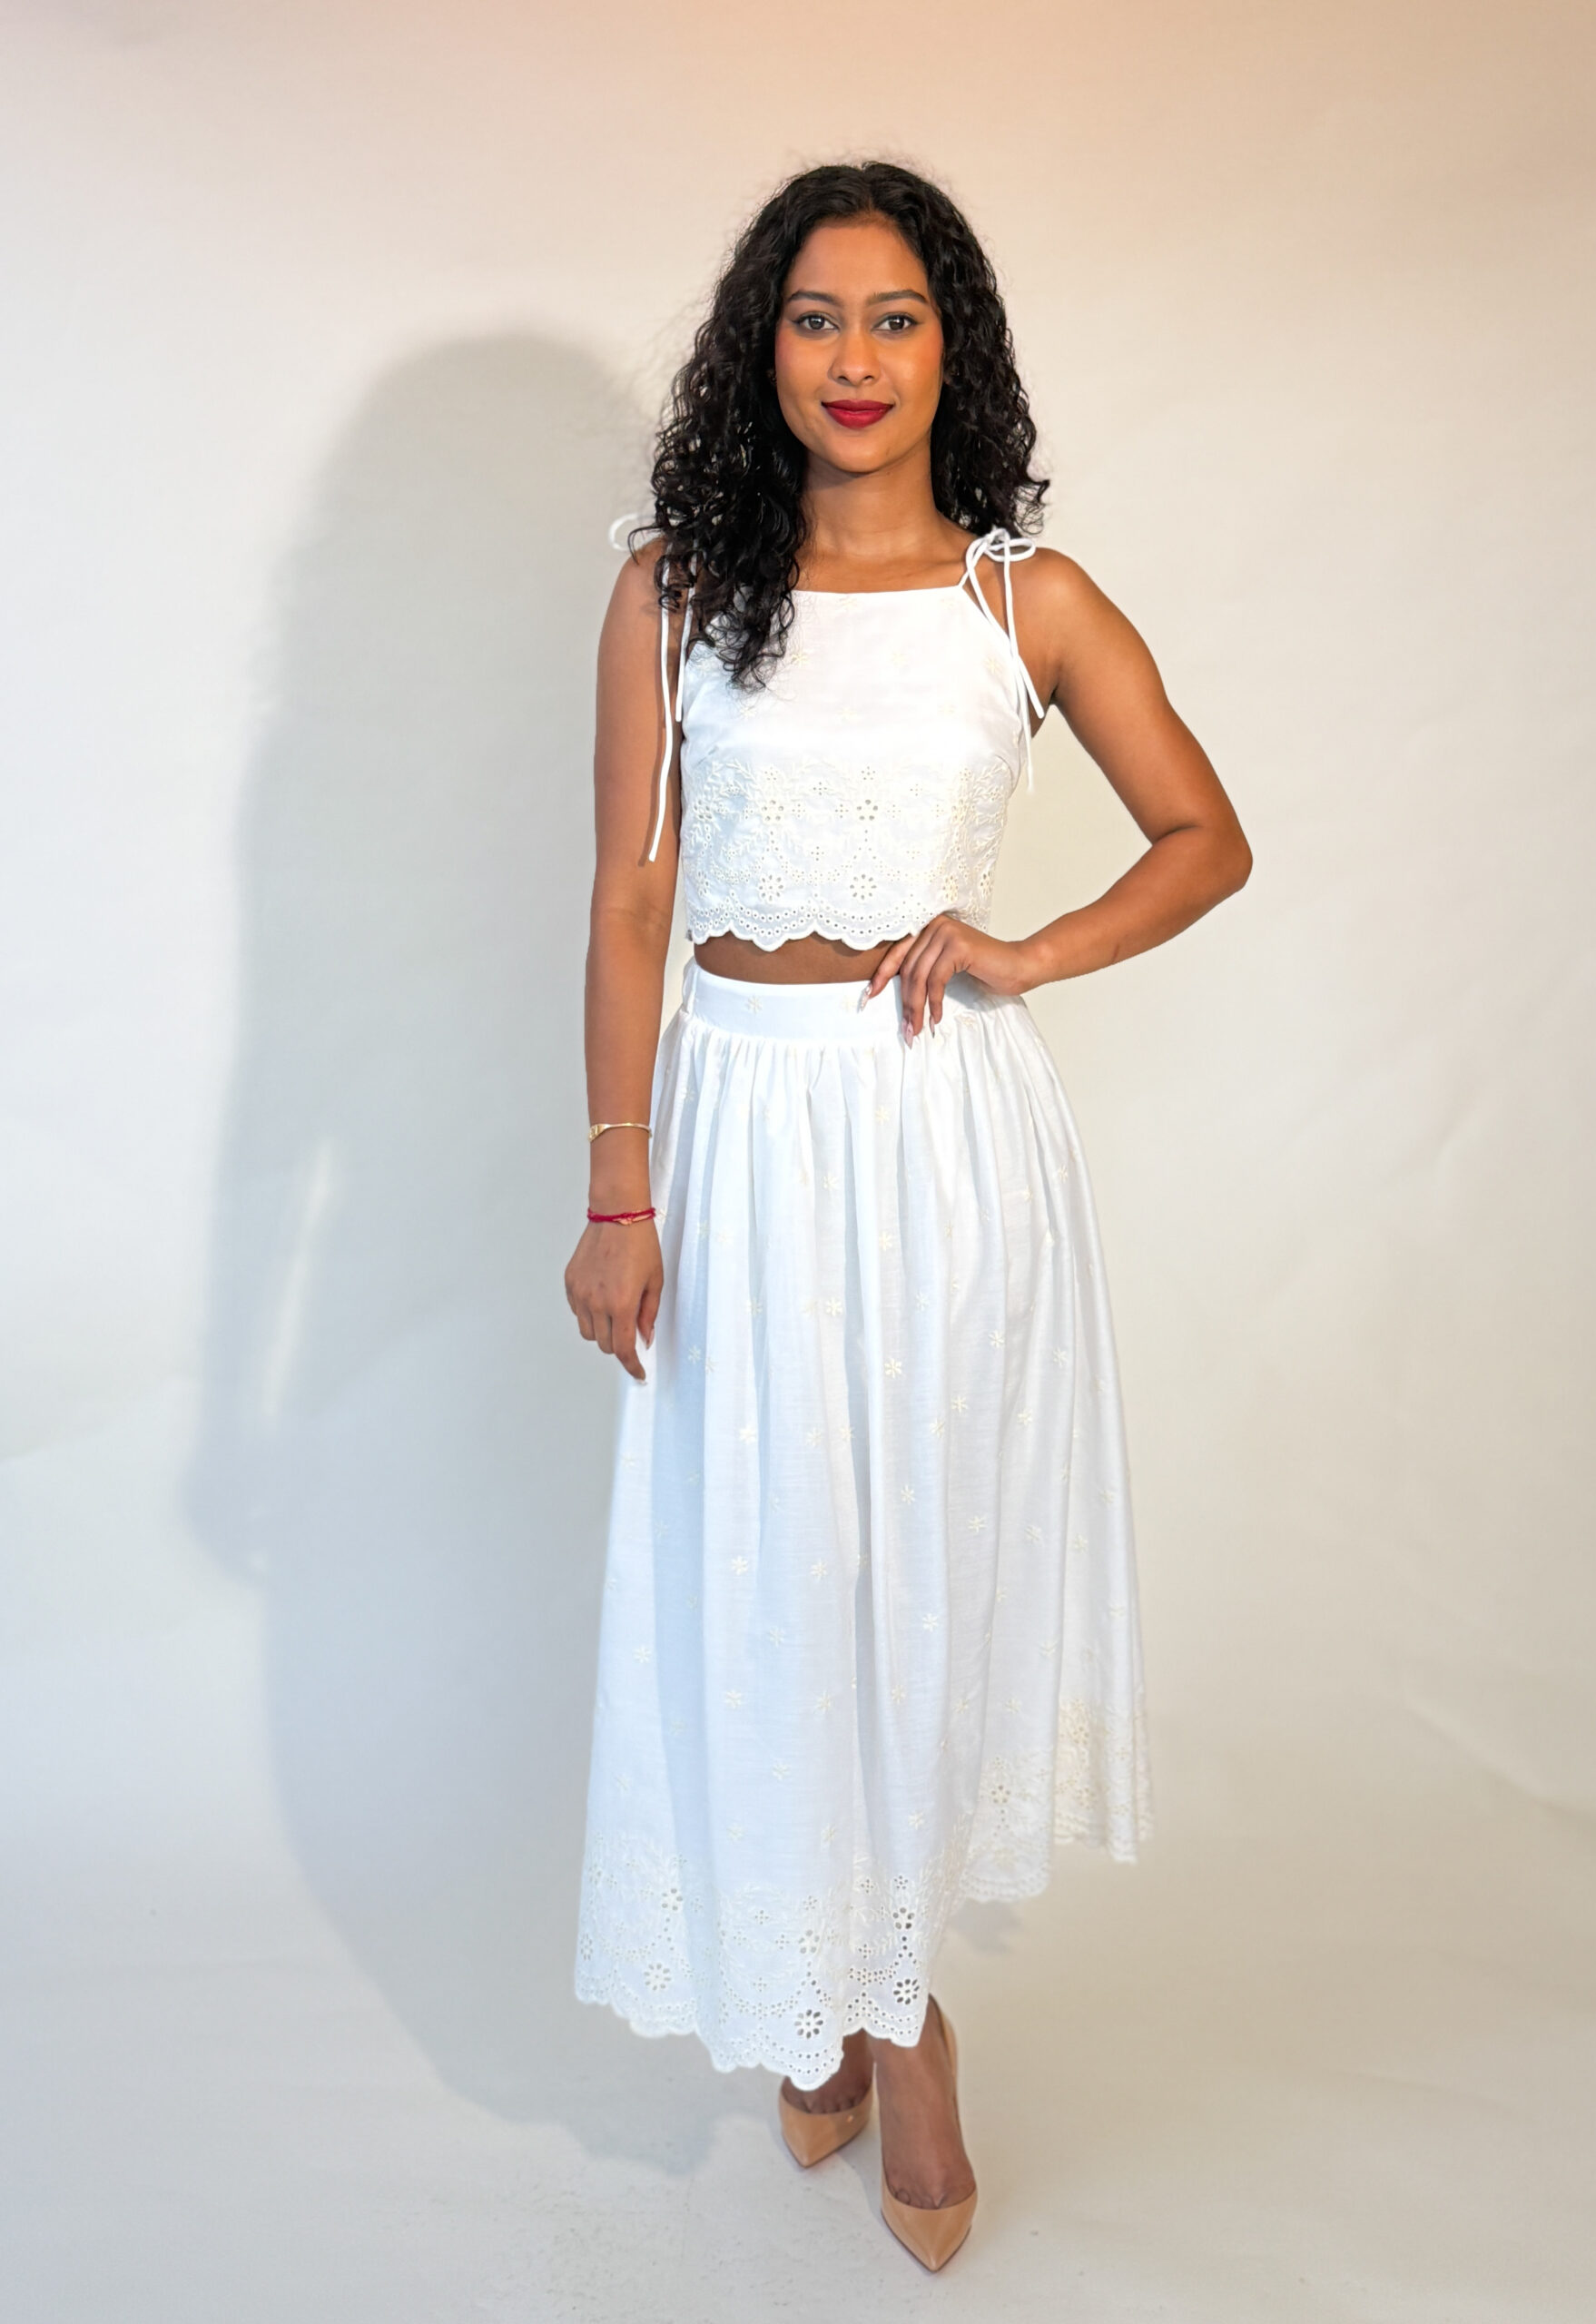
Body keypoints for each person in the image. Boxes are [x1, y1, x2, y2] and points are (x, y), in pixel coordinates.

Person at [566, 160, 1250, 2271]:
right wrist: (617, 1186)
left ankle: (896, 2011)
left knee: (911, 1580)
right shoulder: (677, 588)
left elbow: (1204, 833)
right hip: (738, 1129)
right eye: (814, 317)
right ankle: (834, 1991)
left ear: (955, 345)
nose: (854, 359)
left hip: (941, 1139)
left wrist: (1028, 949)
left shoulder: (1024, 603)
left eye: (895, 317)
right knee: (768, 1569)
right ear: (758, 349)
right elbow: (629, 903)